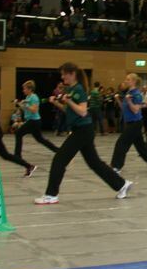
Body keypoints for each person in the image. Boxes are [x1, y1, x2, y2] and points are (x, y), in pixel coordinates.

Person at [34, 63, 132, 204]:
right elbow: (71, 111)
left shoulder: (78, 89)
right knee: (95, 163)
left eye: (64, 74)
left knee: (59, 160)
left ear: (72, 73)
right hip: (82, 130)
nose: (62, 77)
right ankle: (122, 184)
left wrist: (68, 101)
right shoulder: (71, 89)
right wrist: (57, 103)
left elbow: (82, 111)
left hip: (83, 131)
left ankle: (51, 194)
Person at [110, 74, 147, 172]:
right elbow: (123, 109)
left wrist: (129, 101)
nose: (126, 81)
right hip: (130, 123)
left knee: (121, 143)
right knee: (141, 147)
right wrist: (118, 99)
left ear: (133, 82)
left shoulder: (136, 94)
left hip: (135, 123)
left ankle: (116, 166)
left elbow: (135, 110)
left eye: (128, 79)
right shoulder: (129, 93)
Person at [14, 80, 59, 159]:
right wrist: (20, 104)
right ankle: (57, 150)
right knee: (40, 139)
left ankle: (17, 155)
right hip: (31, 120)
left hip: (34, 121)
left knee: (18, 133)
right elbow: (26, 109)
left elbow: (34, 110)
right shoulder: (28, 97)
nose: (23, 90)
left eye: (24, 89)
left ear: (30, 89)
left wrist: (26, 105)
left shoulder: (34, 97)